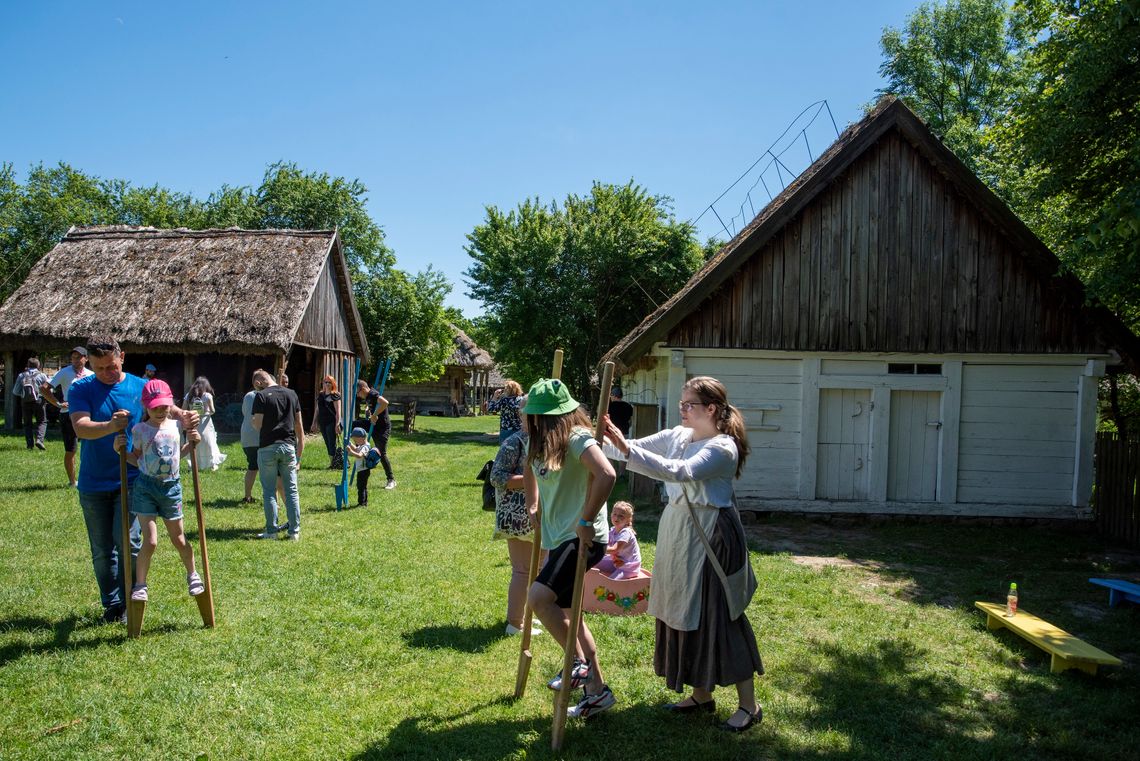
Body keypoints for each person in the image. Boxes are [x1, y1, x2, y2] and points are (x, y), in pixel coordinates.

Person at [603, 376, 763, 732]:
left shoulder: (723, 447)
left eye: (689, 404)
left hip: (712, 536)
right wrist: (599, 436)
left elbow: (682, 471)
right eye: (681, 403)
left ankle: (750, 706)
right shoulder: (677, 435)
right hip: (678, 533)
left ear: (711, 409)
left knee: (719, 615)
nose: (682, 410)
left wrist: (626, 449)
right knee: (684, 611)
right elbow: (624, 450)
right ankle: (702, 695)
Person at [68, 337, 197, 623]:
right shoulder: (81, 388)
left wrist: (184, 415)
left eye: (111, 367)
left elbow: (165, 407)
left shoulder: (139, 386)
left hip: (135, 478)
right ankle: (112, 605)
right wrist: (111, 426)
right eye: (99, 368)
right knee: (102, 549)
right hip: (93, 481)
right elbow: (80, 428)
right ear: (89, 363)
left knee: (126, 540)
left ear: (122, 357)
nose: (106, 373)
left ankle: (130, 601)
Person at [523, 378, 617, 719]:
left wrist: (586, 519)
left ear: (549, 417)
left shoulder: (577, 438)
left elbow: (606, 475)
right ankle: (597, 692)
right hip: (559, 537)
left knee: (537, 598)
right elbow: (529, 468)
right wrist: (533, 502)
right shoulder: (543, 441)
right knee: (570, 618)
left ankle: (576, 664)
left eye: (533, 415)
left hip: (582, 538)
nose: (527, 419)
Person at [114, 379, 205, 602]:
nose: (160, 410)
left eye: (164, 406)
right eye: (155, 406)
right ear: (146, 406)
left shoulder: (177, 426)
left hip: (171, 487)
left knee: (179, 538)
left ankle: (192, 574)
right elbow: (136, 459)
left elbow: (178, 455)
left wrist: (193, 443)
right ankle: (140, 584)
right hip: (145, 487)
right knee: (151, 541)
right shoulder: (139, 430)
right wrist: (120, 452)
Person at [489, 422, 546, 636]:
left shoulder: (545, 441)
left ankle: (526, 616)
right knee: (523, 570)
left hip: (540, 516)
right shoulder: (514, 442)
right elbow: (497, 477)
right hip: (517, 516)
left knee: (536, 569)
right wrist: (533, 480)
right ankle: (515, 624)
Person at [252, 369, 303, 540]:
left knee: (269, 491)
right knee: (292, 490)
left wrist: (253, 421)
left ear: (259, 382)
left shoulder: (261, 396)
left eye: (255, 385)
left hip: (268, 447)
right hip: (288, 446)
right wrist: (300, 453)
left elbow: (257, 424)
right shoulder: (292, 394)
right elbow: (298, 424)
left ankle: (272, 531)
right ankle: (294, 531)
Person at [41, 347, 94, 486]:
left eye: (79, 357)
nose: (76, 360)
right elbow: (44, 388)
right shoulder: (64, 372)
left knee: (91, 447)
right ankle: (72, 481)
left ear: (86, 358)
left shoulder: (91, 374)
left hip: (89, 415)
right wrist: (58, 404)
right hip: (68, 415)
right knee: (71, 450)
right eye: (73, 357)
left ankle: (90, 478)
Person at [354, 379, 395, 490]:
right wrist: (369, 410)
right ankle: (355, 444)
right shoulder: (368, 397)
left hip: (382, 427)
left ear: (362, 389)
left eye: (357, 393)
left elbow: (385, 403)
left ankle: (391, 480)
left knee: (381, 453)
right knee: (354, 424)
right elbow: (373, 405)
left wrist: (375, 414)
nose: (358, 396)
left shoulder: (372, 394)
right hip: (374, 424)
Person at [183, 376, 227, 471]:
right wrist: (204, 412)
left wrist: (192, 412)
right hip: (205, 422)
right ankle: (212, 464)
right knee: (208, 442)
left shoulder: (189, 396)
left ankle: (192, 464)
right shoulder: (207, 396)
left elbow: (183, 410)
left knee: (193, 441)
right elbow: (213, 410)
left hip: (193, 421)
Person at [239, 372, 269, 503]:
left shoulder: (248, 396)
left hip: (247, 437)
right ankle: (270, 497)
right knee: (267, 469)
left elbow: (245, 412)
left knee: (252, 466)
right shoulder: (264, 396)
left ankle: (247, 496)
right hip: (259, 437)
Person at [594, 500, 641, 580]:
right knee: (593, 562)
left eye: (621, 516)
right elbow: (604, 543)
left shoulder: (626, 533)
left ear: (628, 519)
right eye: (614, 514)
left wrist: (596, 548)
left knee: (611, 582)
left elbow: (614, 549)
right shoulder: (613, 531)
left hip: (628, 567)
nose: (616, 517)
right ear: (611, 514)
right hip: (616, 561)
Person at [14, 357, 50, 450]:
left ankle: (30, 445)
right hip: (39, 401)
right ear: (38, 365)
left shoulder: (21, 375)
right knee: (42, 421)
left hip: (25, 402)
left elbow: (15, 391)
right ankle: (39, 440)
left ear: (28, 365)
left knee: (27, 424)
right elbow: (49, 389)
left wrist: (24, 394)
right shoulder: (42, 375)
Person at [345, 427, 381, 506]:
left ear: (361, 438)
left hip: (363, 471)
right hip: (362, 470)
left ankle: (362, 503)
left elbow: (359, 455)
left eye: (355, 440)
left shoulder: (365, 447)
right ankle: (364, 502)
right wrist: (350, 444)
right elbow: (356, 449)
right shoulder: (362, 445)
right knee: (362, 486)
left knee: (361, 487)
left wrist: (350, 451)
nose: (355, 441)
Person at [314, 374, 342, 469]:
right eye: (325, 382)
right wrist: (314, 422)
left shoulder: (335, 395)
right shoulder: (321, 395)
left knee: (331, 442)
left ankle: (334, 463)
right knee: (327, 442)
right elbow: (317, 409)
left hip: (331, 422)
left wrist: (337, 424)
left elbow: (338, 411)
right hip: (322, 421)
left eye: (329, 382)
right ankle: (332, 462)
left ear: (333, 383)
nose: (327, 384)